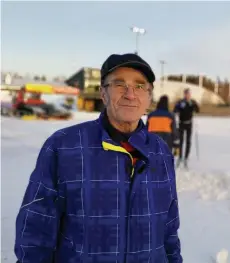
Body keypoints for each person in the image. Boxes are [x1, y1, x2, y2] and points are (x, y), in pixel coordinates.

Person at [14, 53, 183, 263]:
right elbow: (37, 227)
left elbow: (169, 227)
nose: (130, 94)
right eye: (119, 84)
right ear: (103, 93)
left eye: (140, 86)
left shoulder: (160, 151)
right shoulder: (63, 145)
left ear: (149, 98)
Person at [173, 88, 199, 168]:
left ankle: (186, 158)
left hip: (189, 124)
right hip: (181, 124)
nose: (188, 95)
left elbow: (197, 110)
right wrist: (177, 108)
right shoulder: (181, 102)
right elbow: (175, 110)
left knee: (188, 141)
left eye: (189, 94)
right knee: (180, 141)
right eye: (186, 94)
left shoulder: (192, 102)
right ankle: (180, 157)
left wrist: (194, 105)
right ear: (184, 94)